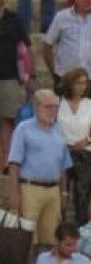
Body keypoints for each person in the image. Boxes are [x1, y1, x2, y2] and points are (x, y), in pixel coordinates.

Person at [8, 89, 71, 254]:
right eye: (47, 106)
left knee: (51, 238)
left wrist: (64, 192)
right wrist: (14, 194)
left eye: (55, 107)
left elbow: (63, 165)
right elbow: (14, 163)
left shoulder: (59, 131)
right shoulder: (24, 129)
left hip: (53, 190)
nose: (52, 111)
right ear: (36, 107)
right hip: (30, 189)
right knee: (26, 238)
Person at [42, 0, 91, 121]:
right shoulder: (61, 17)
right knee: (61, 120)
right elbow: (47, 45)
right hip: (65, 78)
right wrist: (54, 72)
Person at [56, 67, 91, 225]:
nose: (82, 86)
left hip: (83, 154)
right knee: (60, 195)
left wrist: (87, 140)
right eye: (78, 83)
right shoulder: (58, 103)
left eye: (85, 83)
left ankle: (80, 230)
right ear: (70, 84)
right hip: (62, 153)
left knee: (82, 197)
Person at [0, 2, 28, 163]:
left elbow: (26, 46)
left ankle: (7, 162)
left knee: (7, 121)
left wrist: (30, 76)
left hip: (9, 77)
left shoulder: (14, 19)